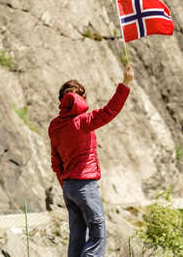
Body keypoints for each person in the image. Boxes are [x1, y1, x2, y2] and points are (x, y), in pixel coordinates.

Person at [48, 64, 134, 257]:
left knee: (77, 237)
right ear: (82, 99)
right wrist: (126, 83)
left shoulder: (55, 126)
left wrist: (66, 185)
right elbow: (110, 111)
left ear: (62, 101)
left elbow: (56, 162)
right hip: (86, 185)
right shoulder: (83, 122)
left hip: (69, 187)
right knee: (98, 236)